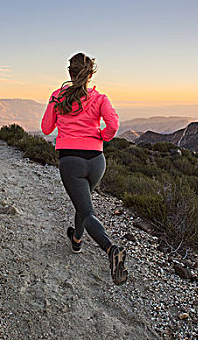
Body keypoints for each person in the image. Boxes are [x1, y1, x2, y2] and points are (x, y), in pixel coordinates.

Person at [41, 52, 128, 285]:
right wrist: (100, 136)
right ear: (90, 74)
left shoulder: (58, 97)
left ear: (70, 73)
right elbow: (114, 125)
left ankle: (111, 250)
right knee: (83, 203)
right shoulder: (100, 98)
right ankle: (77, 241)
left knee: (87, 211)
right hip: (97, 160)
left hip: (71, 160)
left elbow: (46, 128)